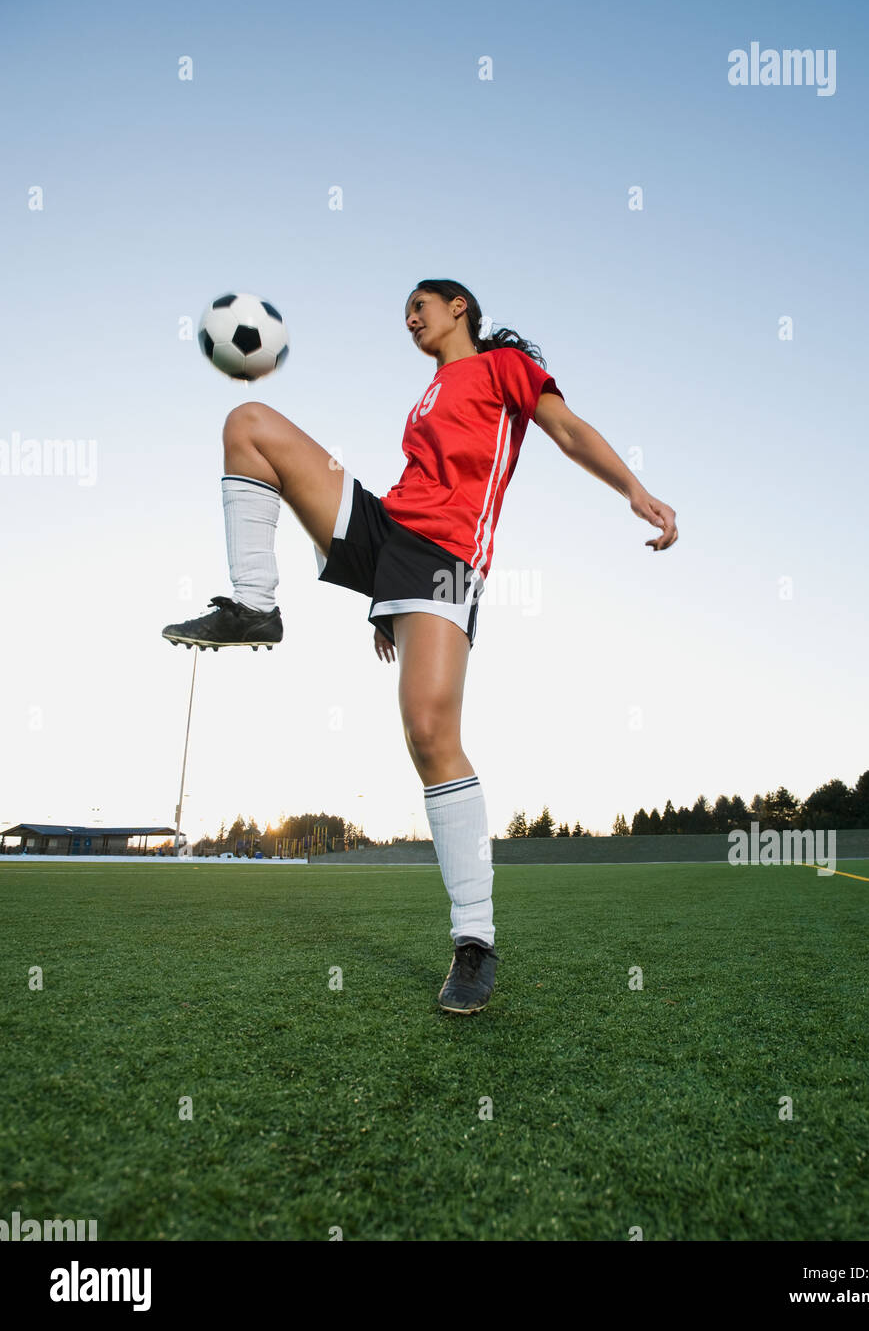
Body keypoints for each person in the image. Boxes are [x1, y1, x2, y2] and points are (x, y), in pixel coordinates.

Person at [162, 279, 677, 1013]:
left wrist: (634, 489)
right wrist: (382, 603)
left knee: (431, 734)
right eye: (404, 311)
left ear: (459, 307)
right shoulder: (431, 391)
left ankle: (475, 942)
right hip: (386, 530)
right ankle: (254, 605)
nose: (409, 319)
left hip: (443, 557)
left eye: (420, 306)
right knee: (249, 420)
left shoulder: (504, 369)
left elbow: (567, 431)